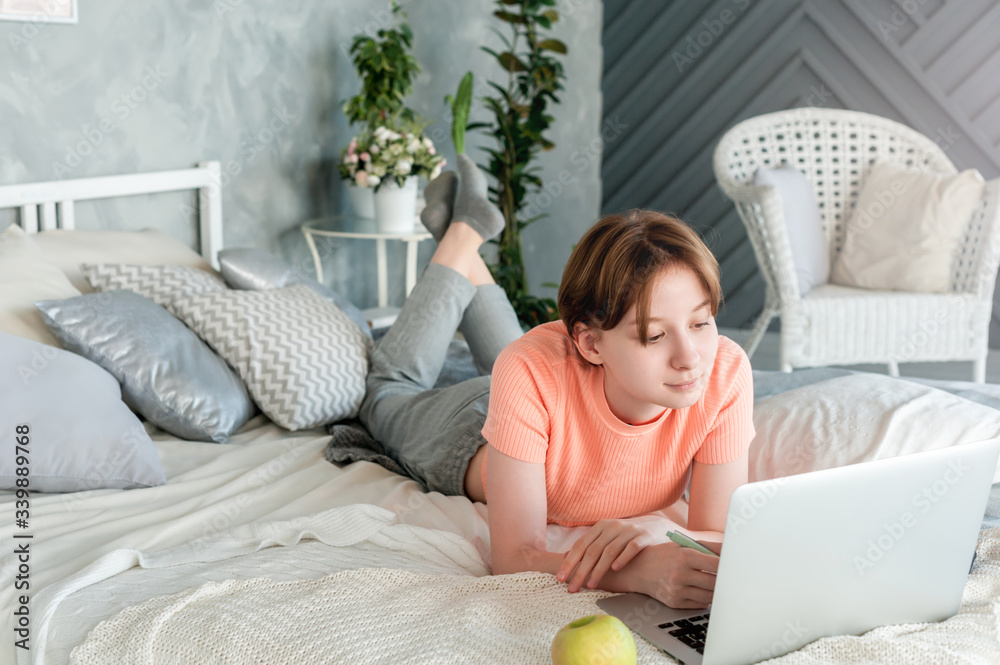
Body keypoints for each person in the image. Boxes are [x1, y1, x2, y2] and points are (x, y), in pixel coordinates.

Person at [359, 156, 754, 611]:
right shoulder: (527, 371)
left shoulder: (723, 371)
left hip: (548, 394)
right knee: (386, 392)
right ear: (590, 343)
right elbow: (515, 558)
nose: (690, 359)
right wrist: (636, 573)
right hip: (468, 432)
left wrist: (664, 529)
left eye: (701, 323)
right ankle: (463, 235)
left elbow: (719, 535)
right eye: (654, 336)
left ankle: (465, 240)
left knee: (527, 358)